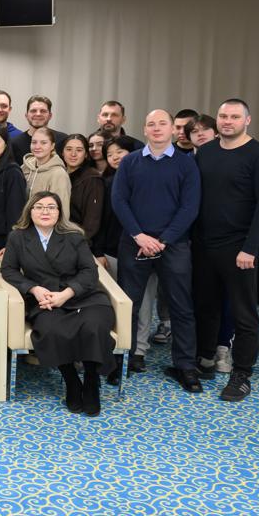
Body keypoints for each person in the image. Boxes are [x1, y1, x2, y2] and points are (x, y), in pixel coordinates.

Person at [192, 98, 259, 401]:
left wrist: (251, 248)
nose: (227, 121)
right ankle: (205, 359)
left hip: (240, 249)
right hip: (204, 246)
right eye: (223, 116)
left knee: (244, 314)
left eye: (234, 117)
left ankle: (242, 374)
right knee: (206, 306)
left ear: (247, 120)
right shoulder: (205, 152)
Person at [0, 191, 116, 416]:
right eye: (39, 207)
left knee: (94, 327)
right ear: (30, 211)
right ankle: (71, 380)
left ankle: (91, 381)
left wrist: (67, 294)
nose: (45, 211)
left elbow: (90, 272)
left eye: (51, 207)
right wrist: (34, 289)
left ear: (59, 212)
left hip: (83, 297)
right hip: (44, 300)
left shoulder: (74, 236)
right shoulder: (18, 237)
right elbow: (9, 270)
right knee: (51, 330)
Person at [111, 109, 201, 389]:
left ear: (174, 130)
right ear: (145, 130)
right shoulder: (130, 162)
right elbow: (119, 200)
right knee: (129, 305)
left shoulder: (187, 164)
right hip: (134, 242)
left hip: (173, 244)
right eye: (151, 124)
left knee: (181, 306)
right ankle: (123, 360)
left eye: (163, 123)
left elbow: (190, 206)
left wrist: (163, 240)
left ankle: (185, 366)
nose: (157, 128)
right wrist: (139, 236)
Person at [95, 136, 138, 277]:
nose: (115, 157)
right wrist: (98, 251)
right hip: (113, 249)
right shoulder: (107, 183)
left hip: (143, 245)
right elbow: (101, 218)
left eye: (119, 152)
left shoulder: (143, 178)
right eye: (109, 154)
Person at [0, 125, 27, 256]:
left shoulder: (13, 172)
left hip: (1, 240)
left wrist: (10, 243)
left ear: (6, 144)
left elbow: (16, 211)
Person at [61, 134, 104, 248]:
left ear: (86, 154)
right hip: (60, 238)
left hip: (79, 242)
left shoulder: (92, 179)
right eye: (69, 149)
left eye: (79, 150)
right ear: (62, 152)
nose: (73, 154)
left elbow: (92, 221)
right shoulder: (60, 174)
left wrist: (77, 243)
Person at [22, 128, 71, 218]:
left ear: (52, 146)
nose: (37, 147)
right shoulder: (25, 167)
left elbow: (63, 209)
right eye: (34, 142)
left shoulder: (58, 174)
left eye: (43, 143)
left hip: (45, 224)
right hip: (24, 224)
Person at [12, 96, 66, 164]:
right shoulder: (14, 143)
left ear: (50, 116)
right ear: (26, 115)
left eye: (43, 111)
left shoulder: (63, 140)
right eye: (33, 111)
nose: (38, 114)